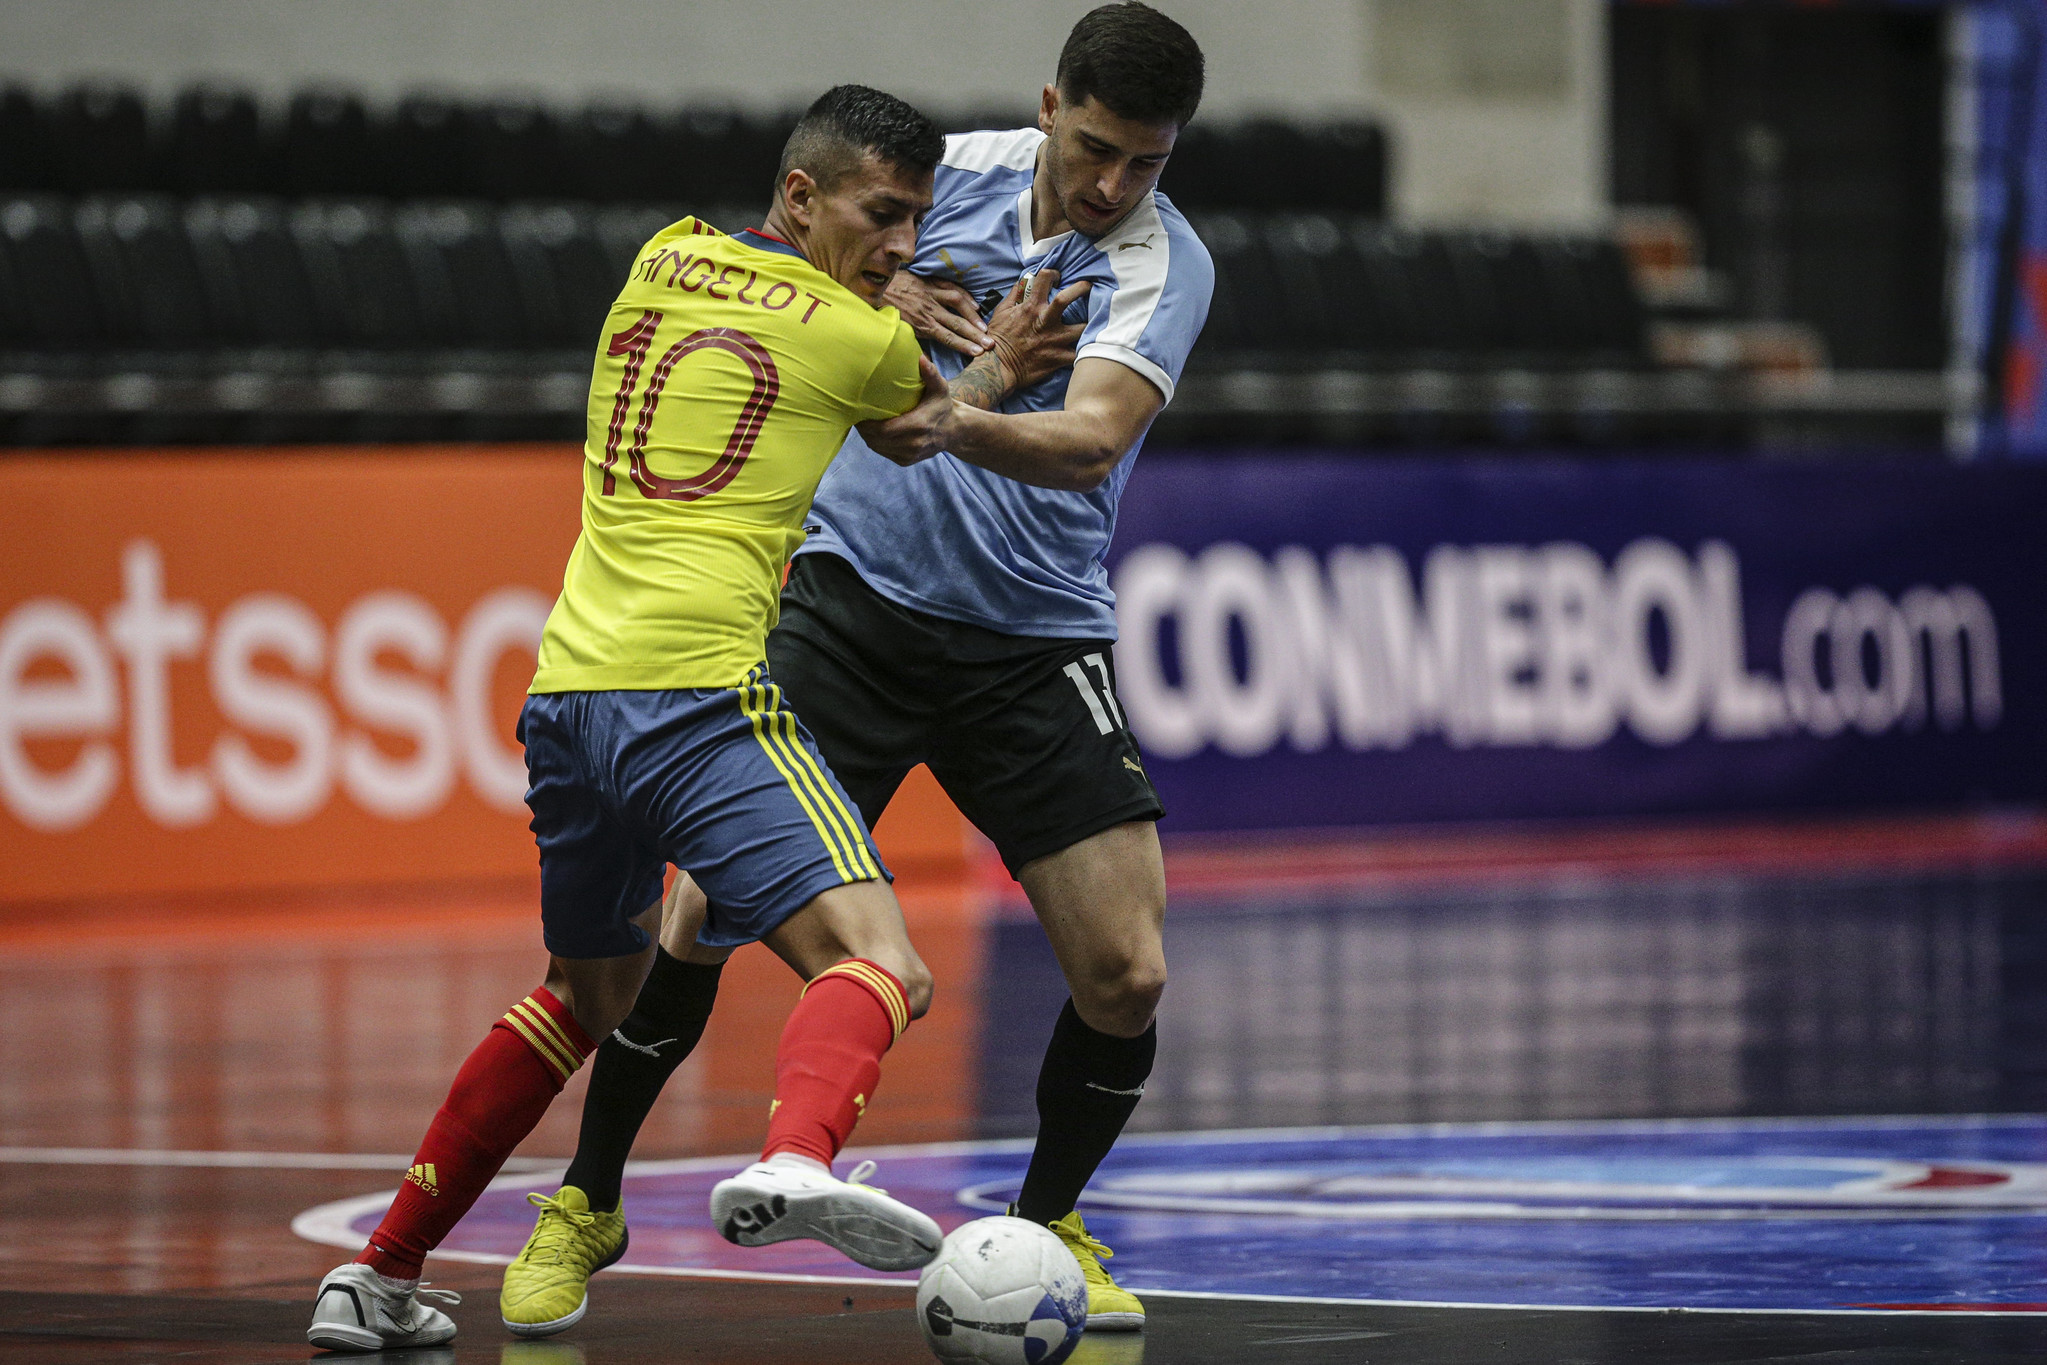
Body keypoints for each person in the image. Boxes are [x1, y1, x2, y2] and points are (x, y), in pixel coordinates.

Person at [505, 0, 1212, 1338]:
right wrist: (889, 296)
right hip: (850, 599)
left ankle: (1048, 1215)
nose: (1113, 186)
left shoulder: (1164, 266)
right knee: (699, 908)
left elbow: (1086, 437)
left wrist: (952, 410)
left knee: (1126, 970)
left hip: (1031, 635)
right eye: (1100, 148)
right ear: (1050, 106)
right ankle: (584, 1199)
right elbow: (803, 258)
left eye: (1148, 163)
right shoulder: (951, 182)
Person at [306, 84, 969, 1353]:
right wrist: (997, 361)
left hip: (566, 703)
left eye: (914, 222)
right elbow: (927, 428)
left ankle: (378, 1272)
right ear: (802, 195)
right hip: (698, 701)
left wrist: (872, 283)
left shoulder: (662, 252)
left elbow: (787, 310)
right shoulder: (860, 338)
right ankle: (795, 1157)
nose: (900, 244)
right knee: (882, 960)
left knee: (581, 994)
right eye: (882, 215)